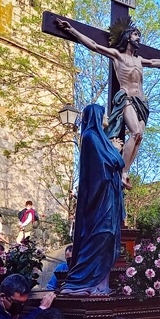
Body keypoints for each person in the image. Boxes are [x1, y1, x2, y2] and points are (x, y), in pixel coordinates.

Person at [57, 16, 160, 190]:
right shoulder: (118, 56)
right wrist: (71, 30)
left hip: (142, 102)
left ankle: (125, 172)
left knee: (139, 137)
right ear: (128, 36)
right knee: (135, 133)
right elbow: (94, 45)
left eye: (139, 35)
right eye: (136, 35)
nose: (138, 38)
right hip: (126, 97)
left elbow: (153, 62)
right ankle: (122, 171)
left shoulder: (139, 60)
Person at [60, 104, 125, 296]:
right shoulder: (90, 137)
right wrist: (115, 149)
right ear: (96, 116)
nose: (106, 117)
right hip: (99, 199)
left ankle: (98, 285)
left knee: (109, 236)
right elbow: (108, 164)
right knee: (101, 235)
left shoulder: (99, 138)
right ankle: (79, 282)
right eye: (103, 114)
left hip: (109, 197)